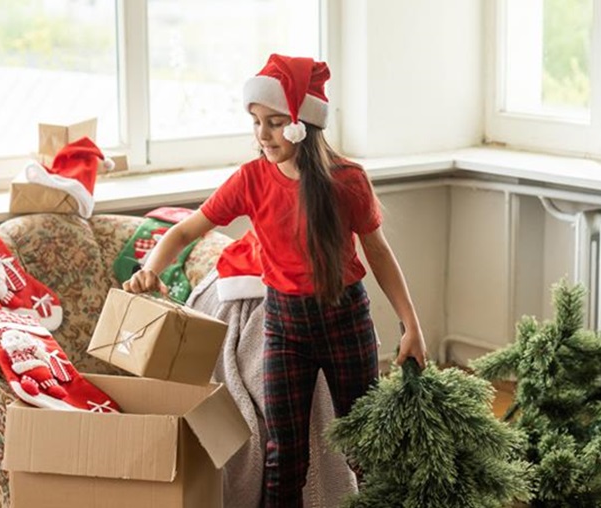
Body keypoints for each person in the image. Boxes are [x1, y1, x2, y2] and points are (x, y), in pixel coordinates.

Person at [122, 53, 427, 507]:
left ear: (304, 123)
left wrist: (412, 324)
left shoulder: (348, 181)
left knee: (364, 443)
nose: (262, 135)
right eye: (256, 121)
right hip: (285, 328)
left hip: (346, 319)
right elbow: (186, 230)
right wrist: (150, 268)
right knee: (284, 456)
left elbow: (379, 254)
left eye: (275, 122)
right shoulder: (250, 180)